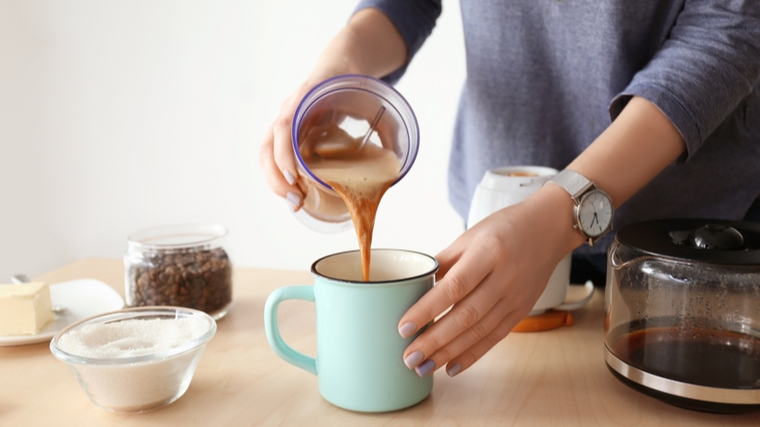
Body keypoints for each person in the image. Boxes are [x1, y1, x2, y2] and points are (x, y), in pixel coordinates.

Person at [260, 1, 760, 379]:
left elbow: (730, 25)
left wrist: (561, 210)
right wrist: (340, 63)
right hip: (505, 239)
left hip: (689, 251)